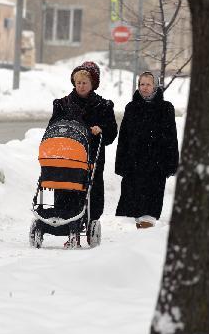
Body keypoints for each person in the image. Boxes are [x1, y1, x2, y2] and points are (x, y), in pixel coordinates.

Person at [48, 61, 118, 247]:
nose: (81, 86)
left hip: (92, 156)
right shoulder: (63, 104)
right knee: (65, 186)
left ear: (93, 83)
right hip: (67, 156)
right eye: (78, 82)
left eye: (85, 82)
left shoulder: (103, 106)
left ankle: (90, 220)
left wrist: (100, 129)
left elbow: (111, 133)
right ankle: (65, 222)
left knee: (90, 189)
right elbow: (53, 127)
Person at [115, 71, 179, 228]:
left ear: (155, 86)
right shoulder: (131, 108)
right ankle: (137, 242)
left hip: (156, 164)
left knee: (150, 207)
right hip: (134, 163)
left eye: (148, 84)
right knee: (135, 207)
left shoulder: (166, 108)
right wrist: (121, 163)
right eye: (141, 84)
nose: (144, 87)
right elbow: (123, 137)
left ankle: (144, 238)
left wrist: (171, 163)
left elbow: (172, 137)